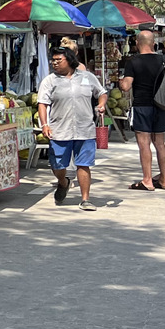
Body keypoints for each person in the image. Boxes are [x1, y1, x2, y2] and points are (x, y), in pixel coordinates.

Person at [37, 46, 104, 209]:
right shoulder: (49, 81)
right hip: (60, 130)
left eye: (58, 60)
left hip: (84, 129)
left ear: (70, 60)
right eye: (53, 60)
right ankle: (63, 181)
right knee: (58, 165)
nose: (54, 63)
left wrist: (101, 104)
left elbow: (101, 92)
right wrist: (45, 125)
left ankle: (85, 199)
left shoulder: (87, 77)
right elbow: (42, 104)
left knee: (84, 164)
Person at [120, 29, 165, 191]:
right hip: (161, 106)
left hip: (142, 105)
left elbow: (126, 86)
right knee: (160, 143)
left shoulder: (134, 62)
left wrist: (121, 81)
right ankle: (164, 179)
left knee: (144, 143)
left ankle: (147, 180)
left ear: (137, 43)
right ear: (153, 43)